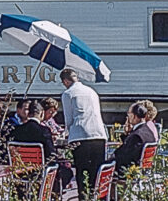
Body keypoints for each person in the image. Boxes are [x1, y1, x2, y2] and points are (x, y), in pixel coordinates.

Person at [60, 68, 107, 196]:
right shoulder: (92, 92)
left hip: (80, 135)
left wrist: (66, 134)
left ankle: (84, 197)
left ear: (65, 81)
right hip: (99, 134)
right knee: (96, 171)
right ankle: (96, 196)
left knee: (82, 171)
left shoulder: (68, 94)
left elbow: (68, 119)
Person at [11, 101, 74, 193]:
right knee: (67, 172)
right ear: (41, 113)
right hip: (40, 172)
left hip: (21, 171)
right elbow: (51, 155)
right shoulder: (44, 131)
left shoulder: (16, 130)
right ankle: (51, 194)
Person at [110, 102, 156, 175]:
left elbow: (123, 157)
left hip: (129, 171)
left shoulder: (136, 136)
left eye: (129, 114)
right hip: (143, 170)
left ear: (134, 116)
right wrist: (127, 134)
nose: (127, 117)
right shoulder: (149, 132)